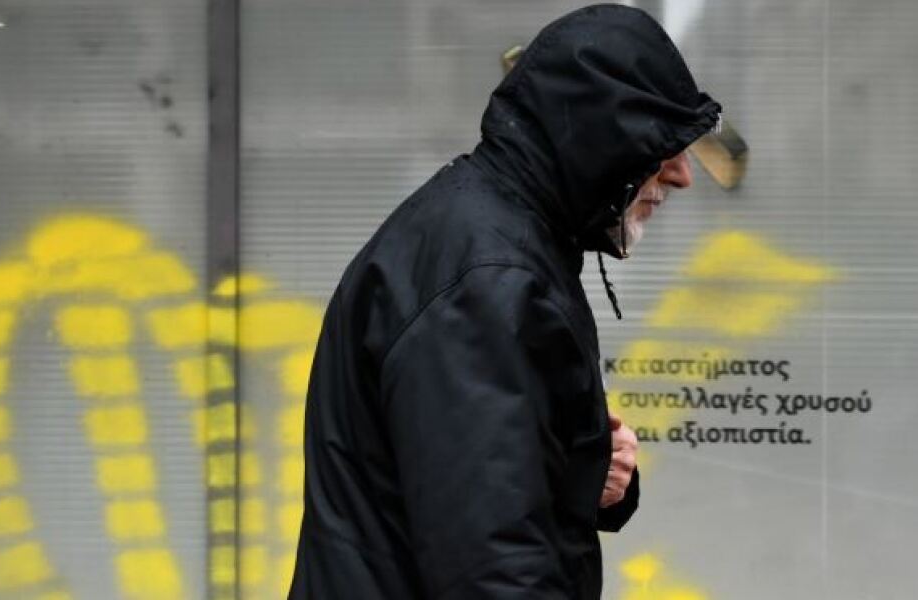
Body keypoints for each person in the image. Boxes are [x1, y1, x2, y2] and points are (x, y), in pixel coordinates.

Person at [289, 4, 721, 598]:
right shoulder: (488, 279)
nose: (681, 175)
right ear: (599, 138)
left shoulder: (490, 239)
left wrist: (583, 466)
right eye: (664, 145)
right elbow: (492, 563)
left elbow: (477, 489)